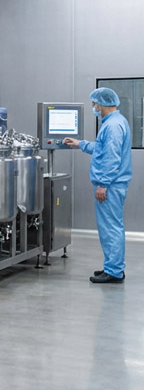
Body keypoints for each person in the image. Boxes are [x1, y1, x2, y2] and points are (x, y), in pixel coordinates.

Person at [64, 87, 132, 284]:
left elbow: (111, 157)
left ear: (101, 104)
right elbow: (102, 149)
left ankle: (114, 271)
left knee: (110, 228)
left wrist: (103, 183)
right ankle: (113, 266)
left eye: (94, 103)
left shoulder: (112, 126)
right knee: (111, 227)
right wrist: (80, 144)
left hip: (110, 186)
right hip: (114, 184)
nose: (93, 107)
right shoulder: (116, 122)